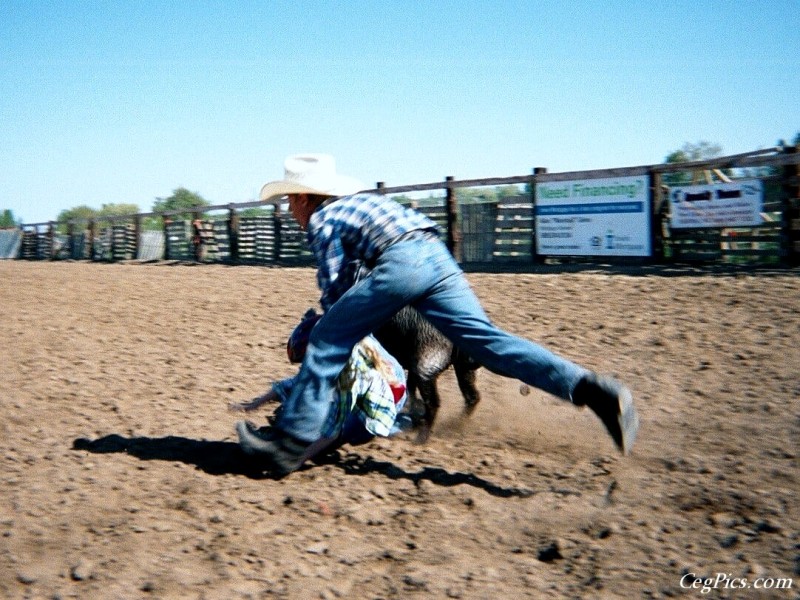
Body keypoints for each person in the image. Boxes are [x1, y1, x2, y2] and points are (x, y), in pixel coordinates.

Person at [240, 153, 639, 476]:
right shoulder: (360, 204)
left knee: (327, 338)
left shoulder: (323, 218)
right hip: (436, 255)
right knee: (488, 342)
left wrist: (329, 323)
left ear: (305, 197)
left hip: (400, 261)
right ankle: (591, 390)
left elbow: (333, 286)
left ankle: (290, 444)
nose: (290, 209)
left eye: (290, 200)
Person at [234, 308, 411, 461]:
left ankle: (288, 443)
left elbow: (333, 429)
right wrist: (255, 403)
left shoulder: (352, 374)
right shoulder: (347, 344)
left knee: (336, 426)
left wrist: (298, 459)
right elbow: (301, 381)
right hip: (385, 387)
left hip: (373, 412)